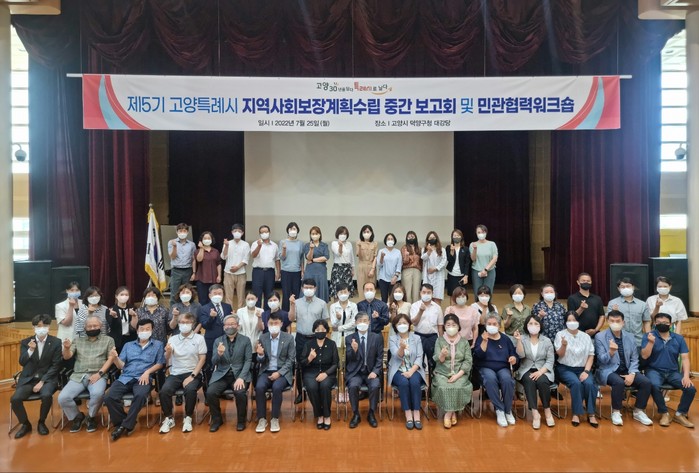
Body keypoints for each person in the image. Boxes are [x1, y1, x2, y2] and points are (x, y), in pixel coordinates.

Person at [105, 319, 165, 441]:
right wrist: (115, 358)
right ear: (137, 331)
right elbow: (121, 365)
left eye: (147, 329)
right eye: (142, 329)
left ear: (152, 330)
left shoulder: (158, 344)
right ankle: (124, 423)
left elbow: (160, 363)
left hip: (143, 377)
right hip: (126, 377)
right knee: (109, 396)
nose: (144, 331)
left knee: (141, 395)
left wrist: (147, 372)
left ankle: (124, 426)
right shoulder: (128, 345)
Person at [594, 310, 654, 427]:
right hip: (608, 370)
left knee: (646, 382)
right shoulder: (600, 336)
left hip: (627, 369)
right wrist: (611, 352)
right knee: (618, 382)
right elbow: (601, 360)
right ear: (607, 321)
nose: (615, 323)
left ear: (623, 322)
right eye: (612, 321)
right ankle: (616, 412)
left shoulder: (630, 336)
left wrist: (632, 373)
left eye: (618, 321)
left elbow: (634, 359)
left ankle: (638, 411)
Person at [59, 315, 115, 433]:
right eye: (89, 326)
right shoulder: (77, 340)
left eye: (95, 325)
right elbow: (67, 356)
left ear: (100, 326)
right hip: (78, 376)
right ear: (85, 328)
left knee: (98, 394)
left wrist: (99, 374)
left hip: (97, 375)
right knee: (63, 398)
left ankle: (91, 417)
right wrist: (66, 348)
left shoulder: (108, 340)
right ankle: (77, 416)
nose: (92, 328)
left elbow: (111, 359)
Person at [641, 312, 696, 428]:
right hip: (654, 370)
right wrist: (651, 343)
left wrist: (686, 376)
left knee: (690, 388)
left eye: (665, 322)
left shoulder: (678, 338)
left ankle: (680, 414)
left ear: (670, 324)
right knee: (653, 385)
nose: (662, 324)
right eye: (659, 322)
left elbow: (685, 359)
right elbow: (644, 356)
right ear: (655, 323)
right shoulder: (648, 336)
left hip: (673, 372)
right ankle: (664, 413)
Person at [11, 314, 62, 439]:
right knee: (15, 399)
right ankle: (25, 424)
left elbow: (56, 365)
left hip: (47, 379)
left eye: (45, 325)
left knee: (46, 395)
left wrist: (42, 381)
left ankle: (41, 422)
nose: (42, 328)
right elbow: (22, 362)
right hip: (29, 379)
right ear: (33, 327)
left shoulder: (56, 342)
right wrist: (30, 350)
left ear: (49, 327)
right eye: (39, 326)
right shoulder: (26, 342)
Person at [158, 312, 207, 434]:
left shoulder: (199, 338)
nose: (184, 325)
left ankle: (188, 417)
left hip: (193, 372)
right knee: (164, 391)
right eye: (182, 322)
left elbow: (202, 359)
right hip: (175, 373)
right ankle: (169, 418)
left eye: (187, 322)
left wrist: (192, 376)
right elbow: (167, 358)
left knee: (190, 390)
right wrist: (168, 352)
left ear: (192, 324)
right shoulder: (173, 339)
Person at [206, 314, 252, 432]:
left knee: (240, 393)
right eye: (227, 324)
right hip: (222, 375)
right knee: (210, 392)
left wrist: (241, 378)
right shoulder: (218, 341)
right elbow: (213, 362)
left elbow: (248, 361)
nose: (229, 326)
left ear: (237, 326)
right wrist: (219, 354)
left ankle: (241, 421)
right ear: (223, 327)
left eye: (232, 324)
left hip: (239, 375)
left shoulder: (245, 340)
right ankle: (217, 420)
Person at [554, 311, 598, 428]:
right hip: (565, 368)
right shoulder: (560, 334)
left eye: (574, 320)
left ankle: (591, 413)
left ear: (578, 322)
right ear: (565, 322)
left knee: (589, 383)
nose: (572, 322)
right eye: (569, 320)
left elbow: (591, 355)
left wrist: (586, 371)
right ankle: (576, 413)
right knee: (576, 383)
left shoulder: (586, 336)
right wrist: (563, 345)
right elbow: (560, 355)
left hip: (583, 368)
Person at [289, 278, 330, 403]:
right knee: (300, 365)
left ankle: (317, 389)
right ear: (302, 289)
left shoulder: (322, 303)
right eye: (306, 287)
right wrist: (291, 305)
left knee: (318, 363)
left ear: (315, 289)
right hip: (301, 338)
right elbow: (291, 318)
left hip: (317, 338)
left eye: (311, 288)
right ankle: (301, 393)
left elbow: (325, 323)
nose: (308, 290)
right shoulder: (296, 302)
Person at [474, 314, 518, 428]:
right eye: (489, 324)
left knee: (507, 379)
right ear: (485, 325)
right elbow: (478, 355)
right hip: (486, 367)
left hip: (503, 367)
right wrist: (484, 341)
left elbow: (513, 353)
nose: (492, 326)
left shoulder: (505, 339)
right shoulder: (482, 337)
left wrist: (513, 358)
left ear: (499, 325)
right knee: (490, 379)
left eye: (494, 324)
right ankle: (499, 409)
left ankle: (508, 410)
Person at [254, 313, 295, 433]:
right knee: (259, 387)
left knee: (277, 387)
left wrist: (279, 373)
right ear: (267, 324)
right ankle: (262, 419)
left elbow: (291, 360)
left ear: (281, 324)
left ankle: (274, 418)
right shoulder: (263, 338)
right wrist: (260, 354)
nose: (273, 325)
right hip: (266, 370)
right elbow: (260, 361)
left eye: (276, 323)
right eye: (271, 323)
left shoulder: (289, 338)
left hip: (282, 372)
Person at [432, 314, 473, 429]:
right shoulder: (439, 340)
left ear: (458, 326)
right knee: (443, 386)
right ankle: (453, 412)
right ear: (444, 327)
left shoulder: (464, 342)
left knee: (458, 386)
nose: (451, 327)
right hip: (442, 373)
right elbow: (437, 359)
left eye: (454, 325)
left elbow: (468, 361)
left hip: (460, 373)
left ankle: (448, 414)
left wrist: (458, 375)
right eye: (448, 325)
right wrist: (442, 355)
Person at [514, 315, 555, 429]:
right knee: (529, 381)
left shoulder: (546, 340)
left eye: (536, 323)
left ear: (540, 326)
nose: (533, 326)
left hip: (543, 369)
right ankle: (535, 413)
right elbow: (521, 355)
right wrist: (518, 341)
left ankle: (547, 410)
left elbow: (550, 360)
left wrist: (540, 372)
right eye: (530, 323)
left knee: (542, 381)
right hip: (526, 369)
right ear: (526, 326)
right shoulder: (522, 338)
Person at [345, 312, 383, 429]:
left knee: (375, 385)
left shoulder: (376, 337)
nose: (363, 323)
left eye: (365, 320)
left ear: (369, 322)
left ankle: (371, 413)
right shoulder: (349, 338)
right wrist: (354, 350)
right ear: (356, 323)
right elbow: (349, 359)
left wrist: (375, 371)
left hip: (371, 372)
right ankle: (356, 414)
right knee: (353, 386)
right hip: (356, 373)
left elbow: (380, 357)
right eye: (360, 321)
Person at [388, 313, 427, 430]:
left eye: (404, 323)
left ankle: (416, 412)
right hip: (398, 369)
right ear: (395, 326)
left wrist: (411, 372)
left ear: (409, 324)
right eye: (399, 323)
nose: (402, 325)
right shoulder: (392, 338)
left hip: (414, 369)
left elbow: (419, 357)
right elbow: (396, 356)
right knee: (404, 383)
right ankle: (408, 413)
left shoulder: (416, 338)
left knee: (414, 382)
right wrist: (401, 347)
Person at [301, 319, 339, 430]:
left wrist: (326, 374)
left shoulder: (332, 344)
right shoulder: (308, 344)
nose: (320, 331)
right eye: (317, 330)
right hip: (311, 372)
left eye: (322, 329)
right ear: (314, 331)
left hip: (328, 372)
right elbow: (302, 363)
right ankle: (319, 415)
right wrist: (309, 358)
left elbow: (336, 363)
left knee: (325, 386)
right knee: (311, 387)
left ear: (326, 330)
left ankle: (327, 415)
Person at [606, 277, 651, 349]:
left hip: (638, 341)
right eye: (622, 287)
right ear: (618, 288)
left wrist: (648, 338)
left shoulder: (642, 304)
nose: (625, 288)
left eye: (628, 286)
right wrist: (614, 312)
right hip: (618, 342)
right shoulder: (612, 303)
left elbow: (646, 322)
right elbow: (608, 321)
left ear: (633, 287)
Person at [198, 284, 232, 376]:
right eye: (215, 293)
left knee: (226, 362)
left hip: (226, 339)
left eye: (220, 293)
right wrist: (211, 317)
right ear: (210, 295)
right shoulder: (204, 308)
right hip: (211, 341)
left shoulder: (228, 306)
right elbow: (205, 325)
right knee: (210, 364)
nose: (217, 295)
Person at [410, 283, 444, 373]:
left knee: (433, 363)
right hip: (418, 336)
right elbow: (414, 322)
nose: (426, 294)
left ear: (432, 293)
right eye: (424, 292)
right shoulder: (414, 306)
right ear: (420, 293)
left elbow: (440, 326)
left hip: (433, 337)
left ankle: (433, 380)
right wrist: (420, 311)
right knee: (418, 363)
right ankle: (420, 381)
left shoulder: (437, 307)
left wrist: (441, 341)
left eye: (429, 292)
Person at [329, 282, 358, 382]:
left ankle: (348, 382)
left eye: (345, 292)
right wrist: (338, 319)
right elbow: (333, 324)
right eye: (340, 292)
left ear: (349, 292)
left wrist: (340, 328)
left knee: (349, 360)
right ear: (337, 294)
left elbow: (354, 323)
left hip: (350, 336)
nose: (343, 294)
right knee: (337, 361)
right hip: (336, 337)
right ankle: (337, 382)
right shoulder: (333, 306)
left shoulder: (353, 306)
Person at [250, 224, 280, 311]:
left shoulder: (274, 245)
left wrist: (278, 272)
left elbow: (277, 259)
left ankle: (267, 314)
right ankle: (257, 314)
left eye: (266, 232)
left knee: (269, 294)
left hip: (270, 272)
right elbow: (253, 255)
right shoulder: (255, 243)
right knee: (257, 294)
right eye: (262, 232)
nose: (264, 233)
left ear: (269, 232)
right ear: (259, 234)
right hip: (258, 271)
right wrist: (259, 246)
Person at [221, 223, 250, 309]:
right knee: (228, 295)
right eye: (235, 231)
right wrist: (226, 246)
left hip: (241, 273)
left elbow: (246, 259)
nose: (237, 232)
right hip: (228, 273)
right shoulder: (227, 243)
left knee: (241, 295)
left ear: (242, 233)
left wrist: (237, 267)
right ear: (232, 232)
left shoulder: (245, 244)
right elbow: (223, 257)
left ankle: (241, 312)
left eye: (239, 231)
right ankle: (229, 312)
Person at [567, 272, 605, 337]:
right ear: (578, 282)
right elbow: (571, 317)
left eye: (588, 281)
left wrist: (595, 330)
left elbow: (602, 316)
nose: (586, 282)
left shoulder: (597, 298)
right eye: (583, 281)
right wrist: (581, 308)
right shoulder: (572, 298)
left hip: (595, 334)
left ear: (591, 282)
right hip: (578, 334)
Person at [168, 222, 196, 306]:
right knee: (174, 292)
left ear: (187, 232)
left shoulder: (192, 244)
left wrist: (194, 272)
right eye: (180, 231)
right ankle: (173, 311)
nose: (182, 233)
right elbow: (172, 257)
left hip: (188, 270)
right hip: (176, 270)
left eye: (184, 231)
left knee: (187, 292)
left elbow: (193, 259)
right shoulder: (171, 242)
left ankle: (187, 309)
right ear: (177, 232)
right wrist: (175, 246)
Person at [279, 222, 304, 311]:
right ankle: (285, 313)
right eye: (291, 229)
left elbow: (301, 258)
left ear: (297, 231)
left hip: (296, 271)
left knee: (296, 293)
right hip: (285, 271)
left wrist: (302, 271)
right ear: (288, 230)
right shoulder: (283, 242)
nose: (292, 231)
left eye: (294, 229)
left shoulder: (300, 243)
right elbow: (282, 257)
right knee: (286, 294)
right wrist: (284, 249)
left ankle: (296, 312)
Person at [192, 231, 222, 305]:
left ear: (212, 239)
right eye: (205, 238)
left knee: (213, 299)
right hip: (201, 279)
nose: (207, 240)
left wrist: (219, 275)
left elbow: (218, 264)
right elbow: (199, 259)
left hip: (213, 278)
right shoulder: (197, 251)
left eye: (209, 238)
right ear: (201, 240)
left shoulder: (215, 251)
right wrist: (202, 248)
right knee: (202, 300)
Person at [468, 224, 498, 298]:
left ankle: (488, 305)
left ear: (486, 233)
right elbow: (473, 259)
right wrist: (475, 249)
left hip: (490, 271)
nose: (481, 234)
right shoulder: (472, 244)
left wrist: (485, 269)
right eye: (479, 232)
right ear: (476, 233)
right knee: (477, 292)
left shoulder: (492, 244)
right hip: (476, 271)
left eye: (482, 232)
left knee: (488, 292)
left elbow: (495, 258)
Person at [303, 226, 330, 302]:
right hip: (310, 271)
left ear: (320, 234)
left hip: (321, 271)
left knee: (321, 287)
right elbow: (308, 258)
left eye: (316, 233)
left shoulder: (324, 245)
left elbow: (326, 257)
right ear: (310, 235)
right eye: (313, 234)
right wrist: (311, 249)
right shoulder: (307, 245)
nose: (315, 235)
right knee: (309, 287)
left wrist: (313, 260)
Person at [330, 225, 355, 299]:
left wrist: (352, 269)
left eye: (345, 234)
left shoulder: (349, 244)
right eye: (341, 233)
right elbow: (338, 254)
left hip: (347, 268)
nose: (343, 235)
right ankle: (336, 305)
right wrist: (340, 245)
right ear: (337, 234)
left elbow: (351, 257)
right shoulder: (334, 243)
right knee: (337, 291)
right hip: (338, 268)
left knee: (347, 290)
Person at [421, 231, 447, 303]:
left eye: (433, 238)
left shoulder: (442, 249)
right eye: (430, 238)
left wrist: (435, 268)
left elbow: (444, 261)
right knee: (427, 297)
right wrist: (429, 251)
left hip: (438, 276)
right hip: (428, 276)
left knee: (437, 298)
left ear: (436, 239)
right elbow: (423, 258)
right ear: (427, 239)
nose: (432, 239)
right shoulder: (424, 249)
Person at [108, 286, 136, 351]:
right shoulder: (111, 309)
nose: (124, 296)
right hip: (117, 341)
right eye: (122, 294)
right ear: (116, 296)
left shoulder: (132, 308)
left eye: (126, 295)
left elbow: (135, 327)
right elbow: (111, 326)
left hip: (130, 339)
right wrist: (114, 317)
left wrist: (134, 315)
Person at [376, 233, 402, 302]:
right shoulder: (381, 251)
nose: (390, 240)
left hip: (395, 279)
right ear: (385, 241)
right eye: (388, 239)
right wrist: (382, 257)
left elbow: (399, 266)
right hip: (383, 278)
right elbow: (379, 265)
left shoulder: (398, 252)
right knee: (384, 298)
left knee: (393, 299)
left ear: (394, 241)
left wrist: (395, 277)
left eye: (391, 239)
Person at [356, 225, 378, 298]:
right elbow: (358, 255)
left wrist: (373, 269)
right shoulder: (359, 242)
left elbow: (375, 257)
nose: (366, 233)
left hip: (371, 266)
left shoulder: (375, 243)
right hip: (362, 266)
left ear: (371, 233)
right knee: (361, 287)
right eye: (364, 232)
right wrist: (359, 246)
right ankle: (362, 303)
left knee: (371, 287)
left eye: (368, 232)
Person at [400, 231, 422, 303]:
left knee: (416, 291)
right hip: (407, 270)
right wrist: (406, 256)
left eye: (412, 236)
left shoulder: (419, 248)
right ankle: (408, 308)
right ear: (406, 238)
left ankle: (415, 308)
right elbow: (404, 262)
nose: (411, 238)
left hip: (417, 271)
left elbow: (421, 261)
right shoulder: (404, 248)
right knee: (407, 291)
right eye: (409, 237)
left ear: (415, 237)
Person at [445, 229, 469, 296]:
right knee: (452, 295)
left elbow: (467, 263)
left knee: (461, 295)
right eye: (455, 235)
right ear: (452, 237)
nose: (456, 237)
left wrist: (466, 276)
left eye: (458, 235)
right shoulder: (448, 247)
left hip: (461, 276)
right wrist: (452, 253)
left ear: (461, 237)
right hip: (451, 275)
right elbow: (448, 260)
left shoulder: (465, 249)